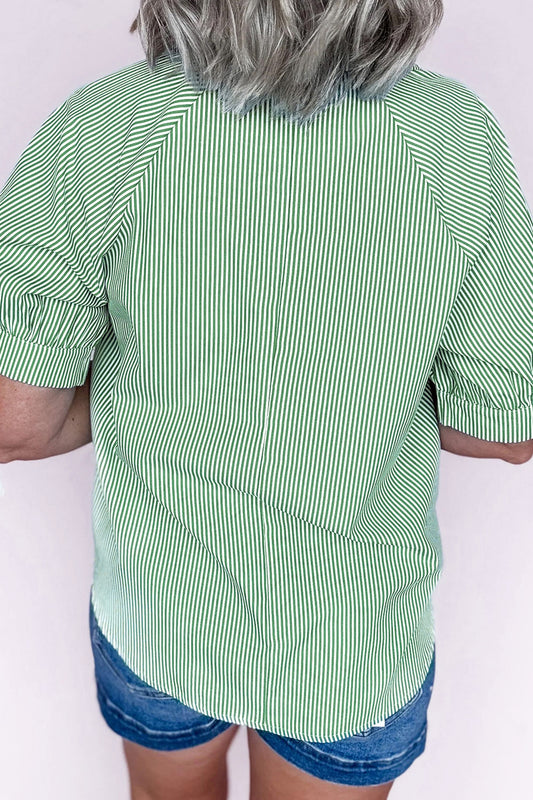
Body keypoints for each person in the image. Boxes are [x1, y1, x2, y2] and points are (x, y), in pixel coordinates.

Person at [0, 1, 532, 798]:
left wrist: (142, 385)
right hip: (350, 651)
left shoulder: (104, 126)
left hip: (161, 621)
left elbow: (15, 423)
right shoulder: (454, 139)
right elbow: (502, 431)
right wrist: (370, 381)